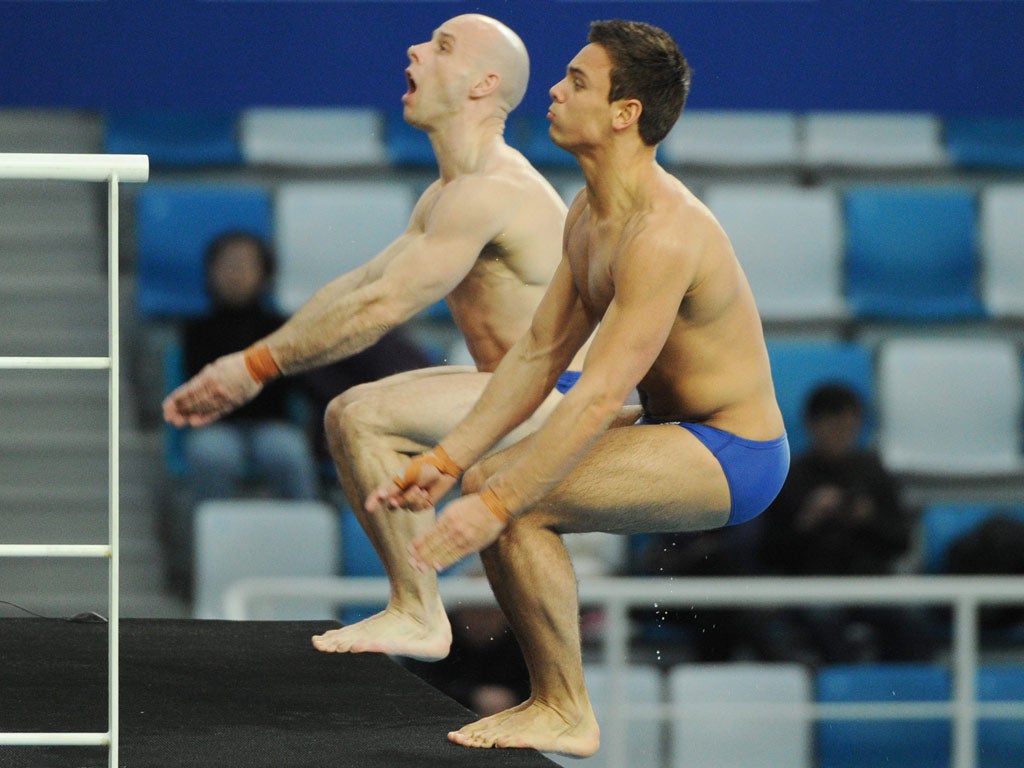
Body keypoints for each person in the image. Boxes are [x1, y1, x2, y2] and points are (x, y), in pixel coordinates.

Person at [369, 20, 789, 756]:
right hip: (669, 426)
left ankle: (566, 708)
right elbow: (536, 354)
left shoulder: (665, 232)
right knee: (492, 480)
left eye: (578, 82)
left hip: (735, 450)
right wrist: (445, 461)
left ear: (625, 114)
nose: (555, 92)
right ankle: (553, 700)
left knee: (513, 500)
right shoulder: (588, 211)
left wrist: (492, 503)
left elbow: (595, 394)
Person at [163, 15, 587, 656]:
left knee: (363, 417)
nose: (415, 49)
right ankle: (418, 608)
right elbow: (359, 284)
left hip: (564, 400)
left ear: (484, 84)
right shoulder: (449, 193)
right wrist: (247, 363)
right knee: (346, 413)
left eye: (442, 47)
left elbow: (383, 306)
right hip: (512, 391)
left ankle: (419, 612)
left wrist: (254, 368)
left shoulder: (493, 190)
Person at [163, 231, 321, 596]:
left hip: (271, 426)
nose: (235, 274)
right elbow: (193, 388)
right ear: (210, 273)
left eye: (245, 265)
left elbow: (293, 386)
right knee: (211, 455)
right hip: (217, 427)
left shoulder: (280, 327)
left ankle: (308, 559)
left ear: (264, 273)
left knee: (288, 452)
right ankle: (209, 563)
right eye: (226, 266)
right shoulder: (195, 329)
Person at [761, 383, 936, 663]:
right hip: (812, 582)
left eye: (848, 429)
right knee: (822, 618)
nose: (842, 437)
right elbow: (769, 553)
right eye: (833, 428)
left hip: (871, 581)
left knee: (910, 618)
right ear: (812, 426)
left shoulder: (874, 472)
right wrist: (807, 520)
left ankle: (902, 693)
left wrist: (867, 519)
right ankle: (845, 691)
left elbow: (900, 542)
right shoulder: (789, 478)